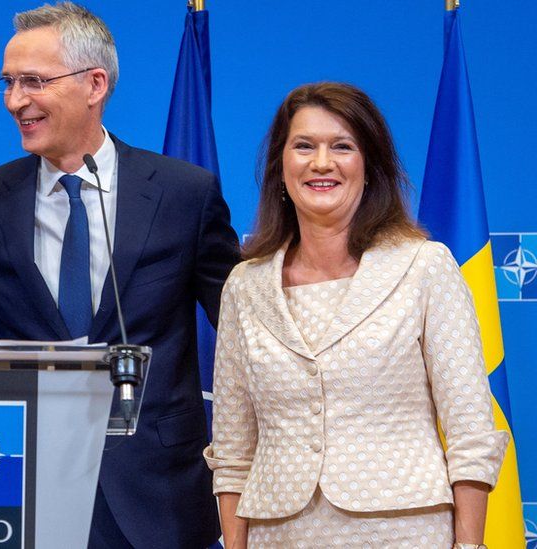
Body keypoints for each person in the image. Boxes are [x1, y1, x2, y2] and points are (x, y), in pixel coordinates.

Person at [0, 3, 240, 547]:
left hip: (159, 490)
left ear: (94, 84)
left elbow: (246, 330)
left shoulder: (183, 194)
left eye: (33, 81)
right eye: (8, 83)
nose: (15, 101)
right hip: (22, 486)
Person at [206, 81, 508, 548]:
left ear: (369, 166)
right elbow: (232, 452)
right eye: (304, 146)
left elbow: (470, 432)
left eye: (342, 147)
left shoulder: (424, 267)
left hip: (405, 531)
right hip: (279, 533)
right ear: (280, 167)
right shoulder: (245, 287)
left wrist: (468, 545)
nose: (321, 163)